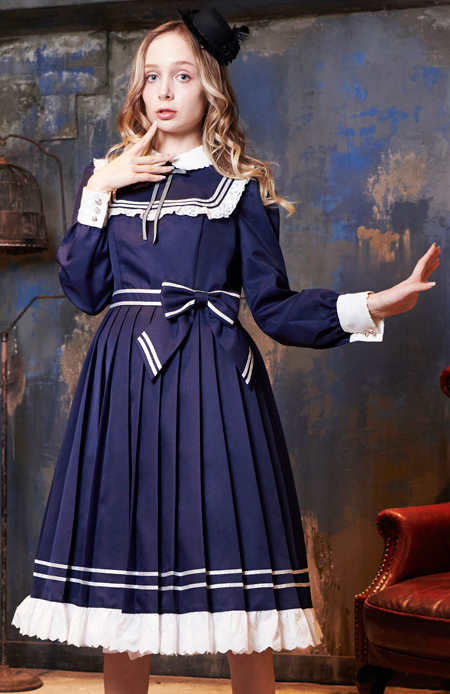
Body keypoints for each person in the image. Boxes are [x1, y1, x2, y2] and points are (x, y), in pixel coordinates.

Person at [12, 8, 439, 694]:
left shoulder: (238, 185)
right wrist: (98, 190)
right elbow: (85, 291)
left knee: (240, 579)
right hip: (123, 384)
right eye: (153, 75)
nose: (164, 90)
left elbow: (273, 306)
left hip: (216, 382)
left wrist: (373, 305)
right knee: (125, 584)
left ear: (210, 87)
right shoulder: (107, 177)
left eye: (183, 75)